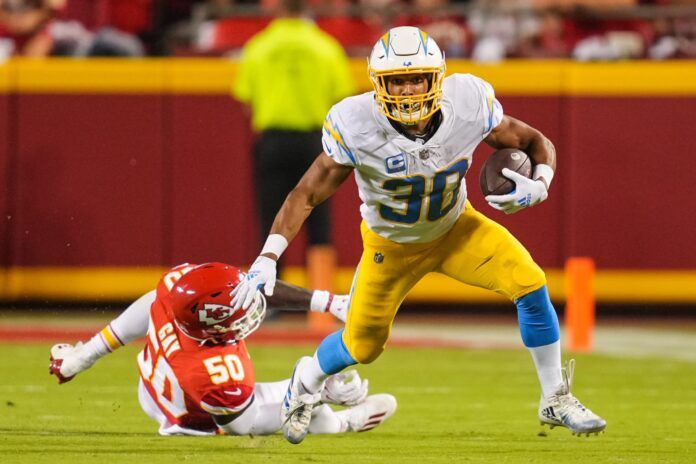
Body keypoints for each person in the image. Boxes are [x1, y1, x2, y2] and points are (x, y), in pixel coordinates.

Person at [231, 26, 606, 444]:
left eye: (416, 78)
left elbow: (535, 140)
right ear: (380, 84)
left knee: (530, 283)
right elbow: (307, 193)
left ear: (437, 78)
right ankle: (305, 381)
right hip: (390, 247)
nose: (408, 90)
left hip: (456, 229)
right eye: (397, 81)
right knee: (363, 345)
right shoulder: (356, 123)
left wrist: (541, 180)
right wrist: (268, 255)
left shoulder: (467, 101)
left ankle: (555, 397)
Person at [49, 262, 396, 437]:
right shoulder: (216, 370)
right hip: (193, 416)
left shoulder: (178, 291)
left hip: (151, 384)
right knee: (309, 408)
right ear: (211, 327)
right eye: (237, 311)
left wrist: (86, 355)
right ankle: (342, 423)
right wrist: (316, 392)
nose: (249, 309)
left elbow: (152, 303)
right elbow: (242, 425)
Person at [232, 0, 354, 269]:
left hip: (273, 142)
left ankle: (271, 297)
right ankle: (321, 303)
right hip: (316, 143)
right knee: (320, 221)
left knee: (273, 219)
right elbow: (342, 98)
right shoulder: (326, 47)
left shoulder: (258, 47)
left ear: (277, 8)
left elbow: (246, 101)